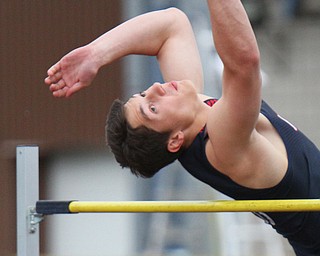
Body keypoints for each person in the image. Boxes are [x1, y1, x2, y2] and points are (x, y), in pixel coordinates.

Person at [44, 1, 320, 255]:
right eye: (151, 108)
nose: (155, 88)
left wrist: (97, 54)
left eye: (142, 94)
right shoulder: (223, 144)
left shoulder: (191, 115)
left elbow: (171, 26)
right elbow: (244, 62)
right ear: (174, 140)